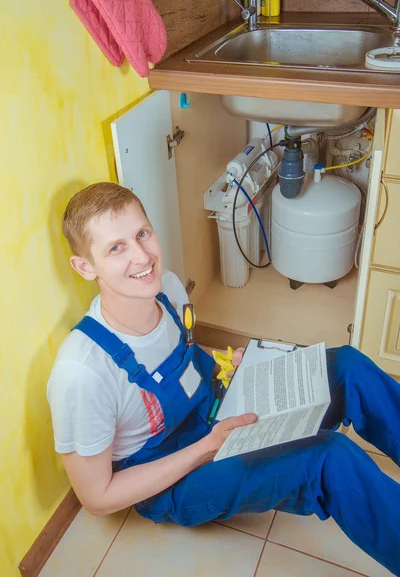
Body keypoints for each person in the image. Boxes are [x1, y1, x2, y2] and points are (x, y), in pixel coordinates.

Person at [48, 181, 400, 576]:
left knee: (348, 366)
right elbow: (97, 498)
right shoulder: (82, 373)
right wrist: (207, 447)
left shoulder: (167, 288)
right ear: (85, 266)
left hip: (218, 410)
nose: (143, 256)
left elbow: (181, 356)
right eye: (117, 248)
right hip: (173, 480)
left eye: (142, 233)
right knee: (328, 457)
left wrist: (230, 364)